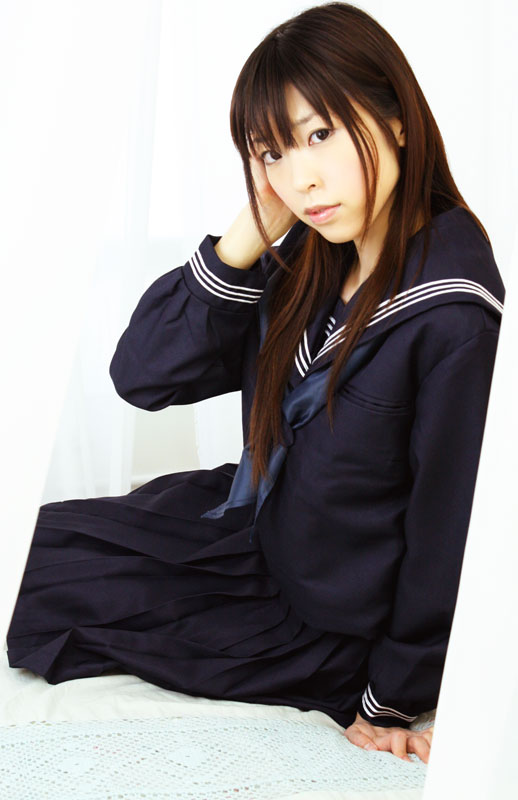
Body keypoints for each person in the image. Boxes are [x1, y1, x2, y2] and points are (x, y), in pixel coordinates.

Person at [5, 2, 505, 767]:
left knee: (38, 604)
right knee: (26, 542)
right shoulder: (315, 252)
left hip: (316, 622)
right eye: (271, 153)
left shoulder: (453, 315)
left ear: (396, 119)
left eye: (320, 134)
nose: (301, 178)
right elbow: (142, 375)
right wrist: (246, 234)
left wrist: (394, 700)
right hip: (243, 532)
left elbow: (451, 531)